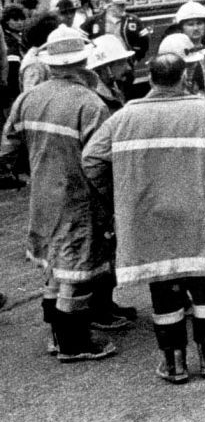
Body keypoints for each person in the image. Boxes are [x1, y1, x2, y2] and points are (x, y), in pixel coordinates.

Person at [82, 51, 205, 383]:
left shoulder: (123, 118)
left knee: (163, 290)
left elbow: (91, 159)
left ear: (151, 78)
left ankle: (174, 363)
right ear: (185, 77)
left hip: (148, 219)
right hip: (197, 216)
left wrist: (118, 195)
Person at [1, 25, 119, 362]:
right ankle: (74, 343)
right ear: (83, 62)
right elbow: (100, 161)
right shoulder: (90, 104)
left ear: (51, 62)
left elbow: (7, 148)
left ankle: (57, 335)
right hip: (78, 199)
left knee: (54, 268)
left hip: (42, 196)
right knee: (75, 274)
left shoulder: (27, 98)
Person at [170, 0, 205, 105]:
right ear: (181, 28)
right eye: (190, 24)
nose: (196, 28)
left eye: (199, 23)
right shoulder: (178, 55)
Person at [83, 0, 149, 65]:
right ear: (109, 6)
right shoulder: (94, 20)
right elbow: (82, 38)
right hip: (103, 61)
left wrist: (136, 58)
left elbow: (144, 40)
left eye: (124, 5)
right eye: (119, 5)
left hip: (125, 61)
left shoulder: (133, 20)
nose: (123, 8)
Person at [86, 33, 136, 111]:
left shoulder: (113, 94)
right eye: (121, 63)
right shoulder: (97, 103)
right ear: (105, 68)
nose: (128, 67)